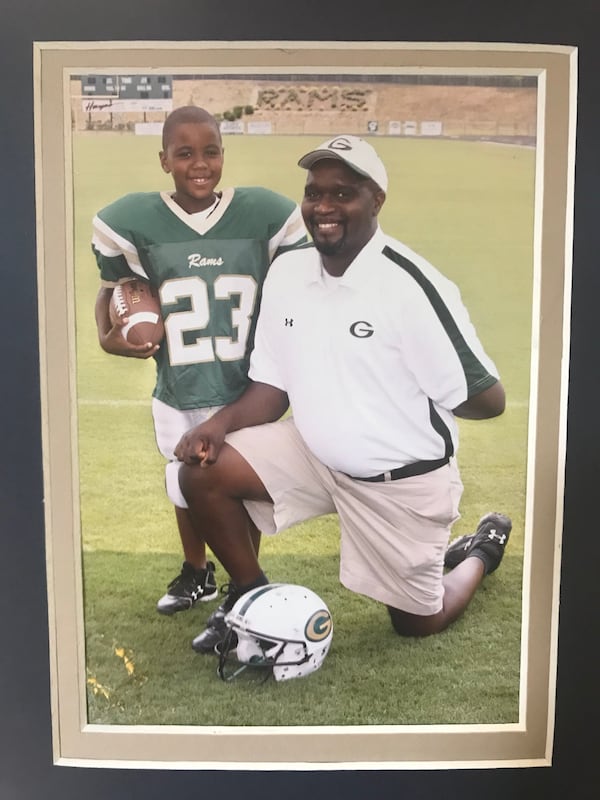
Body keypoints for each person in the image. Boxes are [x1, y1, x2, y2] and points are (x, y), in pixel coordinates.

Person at [173, 134, 512, 653]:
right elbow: (271, 386)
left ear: (376, 200)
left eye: (343, 193)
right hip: (314, 455)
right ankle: (251, 601)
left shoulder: (411, 285)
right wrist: (215, 426)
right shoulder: (288, 270)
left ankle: (480, 551)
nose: (324, 207)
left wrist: (398, 382)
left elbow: (489, 399)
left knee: (418, 622)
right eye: (314, 193)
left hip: (398, 479)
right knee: (201, 473)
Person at [91, 105, 307, 615]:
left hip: (245, 388)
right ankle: (197, 571)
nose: (199, 164)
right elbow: (112, 291)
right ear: (164, 159)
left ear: (224, 154)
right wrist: (108, 338)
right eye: (184, 153)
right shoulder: (131, 221)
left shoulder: (265, 214)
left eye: (211, 151)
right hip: (180, 382)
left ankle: (241, 584)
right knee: (184, 483)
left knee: (239, 489)